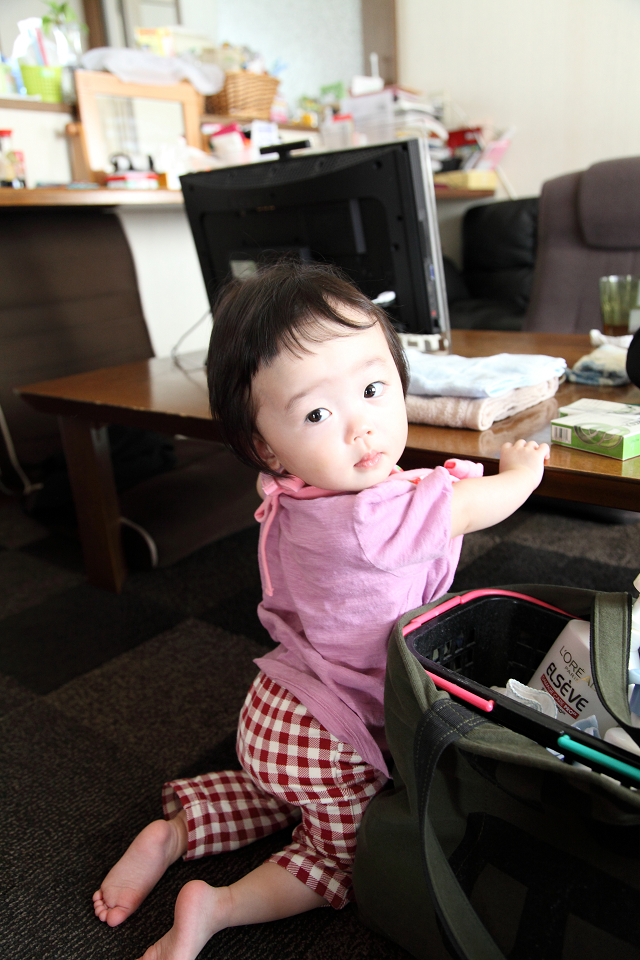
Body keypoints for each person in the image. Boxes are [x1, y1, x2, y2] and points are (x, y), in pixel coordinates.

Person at [93, 261, 550, 960]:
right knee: (337, 854)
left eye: (372, 389)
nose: (362, 427)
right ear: (268, 446)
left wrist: (318, 422)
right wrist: (522, 472)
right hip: (335, 731)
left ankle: (176, 833)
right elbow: (476, 504)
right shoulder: (376, 516)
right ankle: (218, 907)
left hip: (277, 710)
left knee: (280, 793)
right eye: (317, 414)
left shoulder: (292, 489)